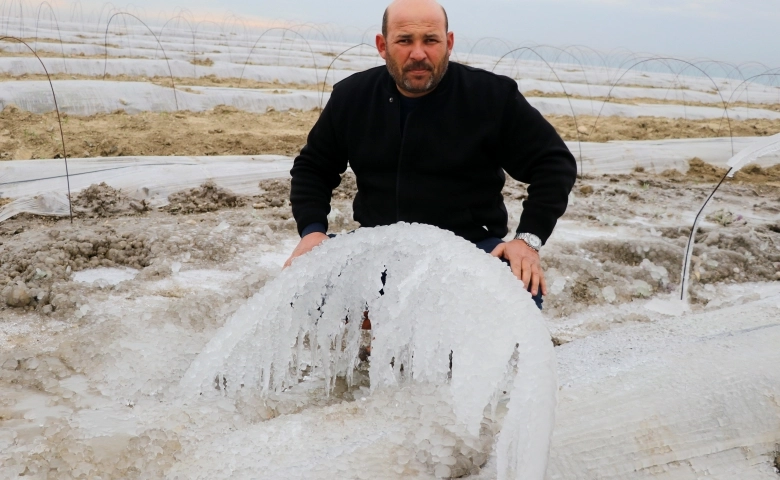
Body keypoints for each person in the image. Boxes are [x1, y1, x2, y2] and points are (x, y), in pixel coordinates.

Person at [284, 0, 577, 309]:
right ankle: (376, 329)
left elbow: (553, 163)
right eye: (405, 40)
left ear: (448, 43)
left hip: (470, 247)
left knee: (519, 292)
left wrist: (527, 240)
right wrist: (313, 231)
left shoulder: (490, 97)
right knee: (300, 284)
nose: (419, 53)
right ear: (383, 45)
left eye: (431, 40)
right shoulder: (352, 96)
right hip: (376, 245)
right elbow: (313, 168)